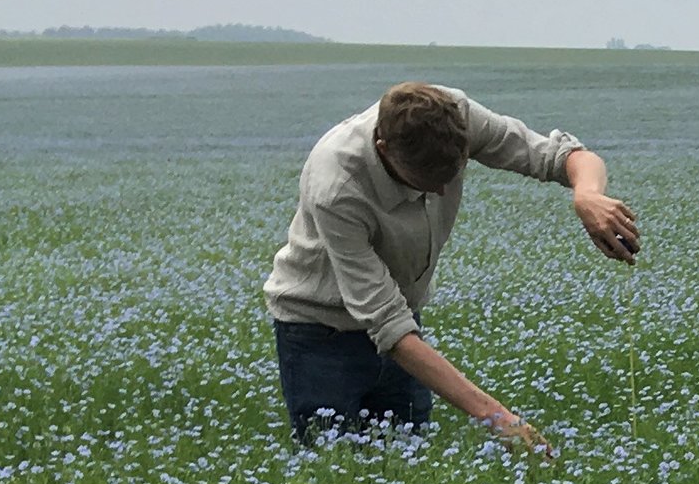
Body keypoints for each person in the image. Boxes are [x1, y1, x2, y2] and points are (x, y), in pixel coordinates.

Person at [263, 79, 638, 448]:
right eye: (427, 181)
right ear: (384, 149)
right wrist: (501, 420)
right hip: (319, 336)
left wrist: (586, 195)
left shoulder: (454, 115)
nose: (442, 191)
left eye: (451, 174)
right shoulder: (337, 186)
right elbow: (387, 324)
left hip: (403, 326)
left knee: (405, 468)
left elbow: (561, 156)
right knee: (336, 473)